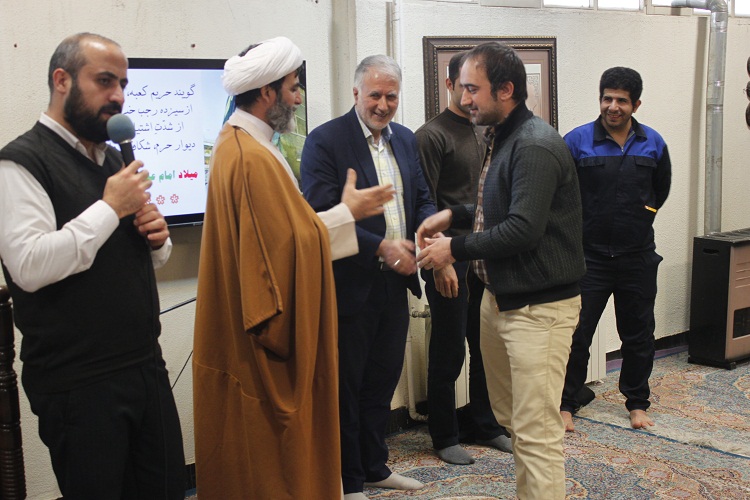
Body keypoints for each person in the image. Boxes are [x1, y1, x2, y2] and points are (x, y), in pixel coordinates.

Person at [192, 37, 394, 499]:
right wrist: (347, 213)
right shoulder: (249, 156)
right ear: (267, 92)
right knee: (268, 455)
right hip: (260, 338)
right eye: (293, 88)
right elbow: (280, 255)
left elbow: (284, 236)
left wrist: (341, 214)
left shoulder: (246, 143)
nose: (299, 99)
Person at [0, 33, 185, 498]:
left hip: (144, 366)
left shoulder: (113, 160)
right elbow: (29, 266)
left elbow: (133, 257)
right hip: (78, 385)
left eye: (122, 84)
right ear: (62, 80)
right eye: (105, 81)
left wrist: (157, 239)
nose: (118, 96)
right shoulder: (20, 163)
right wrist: (109, 207)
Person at [416, 42, 585, 500]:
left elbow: (521, 230)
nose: (463, 98)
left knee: (536, 432)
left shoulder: (533, 144)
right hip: (500, 300)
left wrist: (453, 247)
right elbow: (496, 209)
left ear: (506, 90)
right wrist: (452, 214)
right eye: (462, 88)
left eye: (473, 89)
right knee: (515, 420)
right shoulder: (501, 135)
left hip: (538, 310)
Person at [301, 55, 436, 499]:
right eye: (375, 95)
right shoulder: (325, 141)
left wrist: (427, 231)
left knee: (382, 381)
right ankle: (348, 480)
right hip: (349, 285)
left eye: (391, 96)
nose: (383, 105)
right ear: (356, 92)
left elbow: (422, 197)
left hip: (396, 283)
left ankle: (375, 466)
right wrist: (381, 246)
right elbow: (320, 215)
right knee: (348, 387)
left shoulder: (405, 139)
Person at [560, 67, 671, 432]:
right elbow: (562, 193)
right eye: (607, 98)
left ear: (635, 104)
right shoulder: (576, 141)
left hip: (637, 256)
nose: (613, 106)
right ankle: (565, 404)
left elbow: (660, 189)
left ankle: (637, 403)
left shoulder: (653, 143)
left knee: (638, 335)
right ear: (600, 100)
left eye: (621, 100)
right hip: (588, 258)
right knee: (576, 335)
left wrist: (643, 215)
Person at [415, 51, 511, 465]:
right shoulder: (431, 136)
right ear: (450, 84)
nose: (472, 96)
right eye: (465, 86)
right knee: (450, 349)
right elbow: (423, 206)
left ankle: (483, 425)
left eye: (478, 87)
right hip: (447, 259)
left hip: (483, 256)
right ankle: (444, 434)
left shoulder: (487, 130)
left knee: (486, 346)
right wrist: (440, 264)